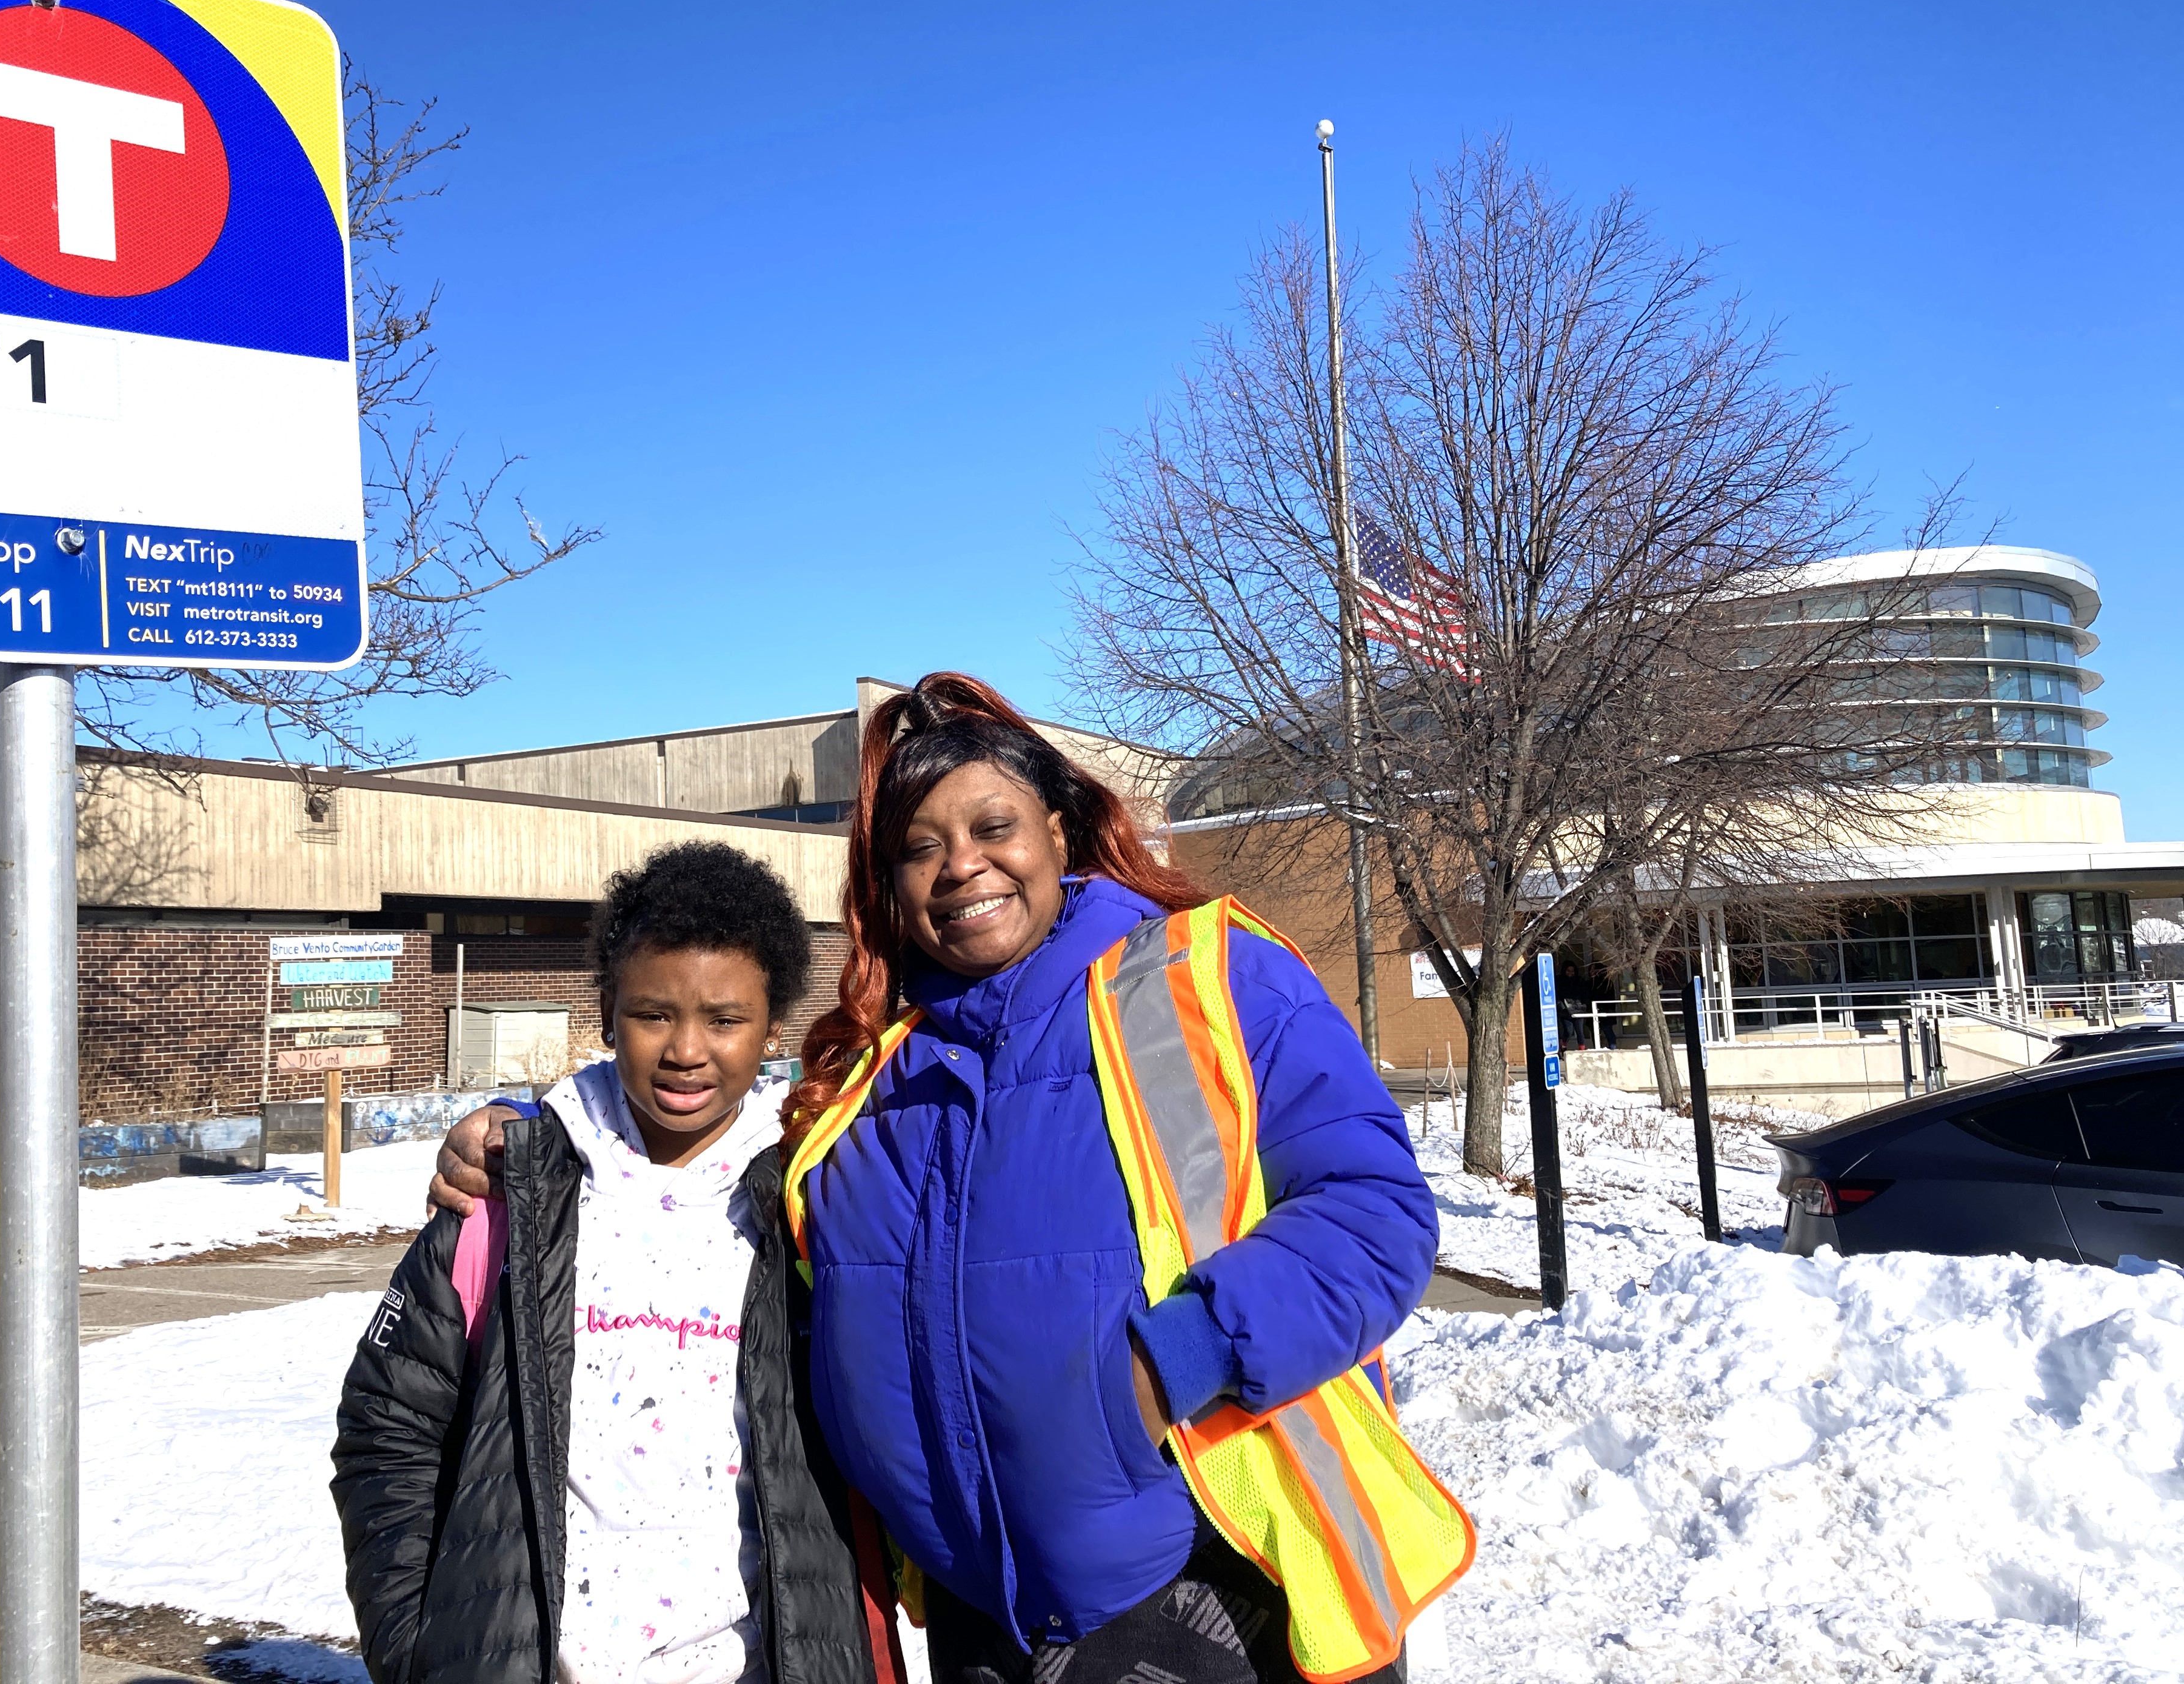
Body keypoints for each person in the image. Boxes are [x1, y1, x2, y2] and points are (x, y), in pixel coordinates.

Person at [434, 675, 1471, 1684]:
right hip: (976, 1620)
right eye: (920, 848)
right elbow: (707, 1153)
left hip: (1207, 1583)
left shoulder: (1208, 979)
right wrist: (538, 1142)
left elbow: (1372, 1215)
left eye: (992, 828)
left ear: (1058, 830)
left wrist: (1162, 1372)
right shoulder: (870, 1075)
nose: (961, 867)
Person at [333, 843, 899, 1684]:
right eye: (652, 1013)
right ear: (606, 1013)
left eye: (725, 1018)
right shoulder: (503, 1201)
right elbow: (388, 1431)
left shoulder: (811, 1208)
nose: (686, 1050)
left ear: (773, 1024)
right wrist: (419, 1643)